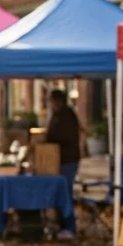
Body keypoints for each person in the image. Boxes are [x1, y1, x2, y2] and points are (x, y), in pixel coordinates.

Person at [45, 89, 82, 238]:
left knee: (65, 192)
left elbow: (63, 136)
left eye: (51, 101)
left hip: (68, 159)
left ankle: (69, 226)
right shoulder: (57, 115)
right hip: (59, 159)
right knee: (60, 192)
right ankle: (60, 224)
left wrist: (49, 139)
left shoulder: (66, 115)